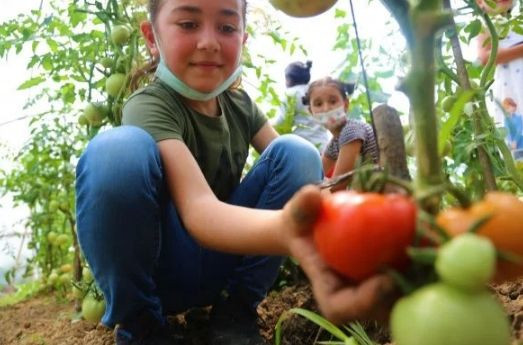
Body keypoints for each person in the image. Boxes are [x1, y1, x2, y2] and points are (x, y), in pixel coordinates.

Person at [75, 1, 394, 345]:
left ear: (243, 39)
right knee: (115, 153)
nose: (209, 41)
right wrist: (297, 231)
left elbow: (305, 178)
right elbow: (199, 211)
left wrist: (367, 222)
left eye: (227, 27)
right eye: (188, 24)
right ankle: (142, 324)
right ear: (152, 37)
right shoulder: (150, 105)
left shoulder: (240, 106)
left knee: (297, 152)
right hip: (160, 273)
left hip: (223, 265)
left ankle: (236, 310)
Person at [304, 76, 378, 185]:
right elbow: (314, 176)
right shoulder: (334, 144)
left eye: (333, 101)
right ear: (311, 112)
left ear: (346, 105)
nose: (326, 108)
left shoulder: (352, 131)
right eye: (318, 104)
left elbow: (337, 186)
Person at [477, 0, 523, 127]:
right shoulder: (485, 26)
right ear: (479, 2)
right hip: (513, 88)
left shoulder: (519, 23)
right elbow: (484, 57)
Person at [274, 60, 331, 152]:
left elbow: (281, 124)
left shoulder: (290, 94)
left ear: (289, 79)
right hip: (324, 148)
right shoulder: (315, 91)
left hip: (303, 150)